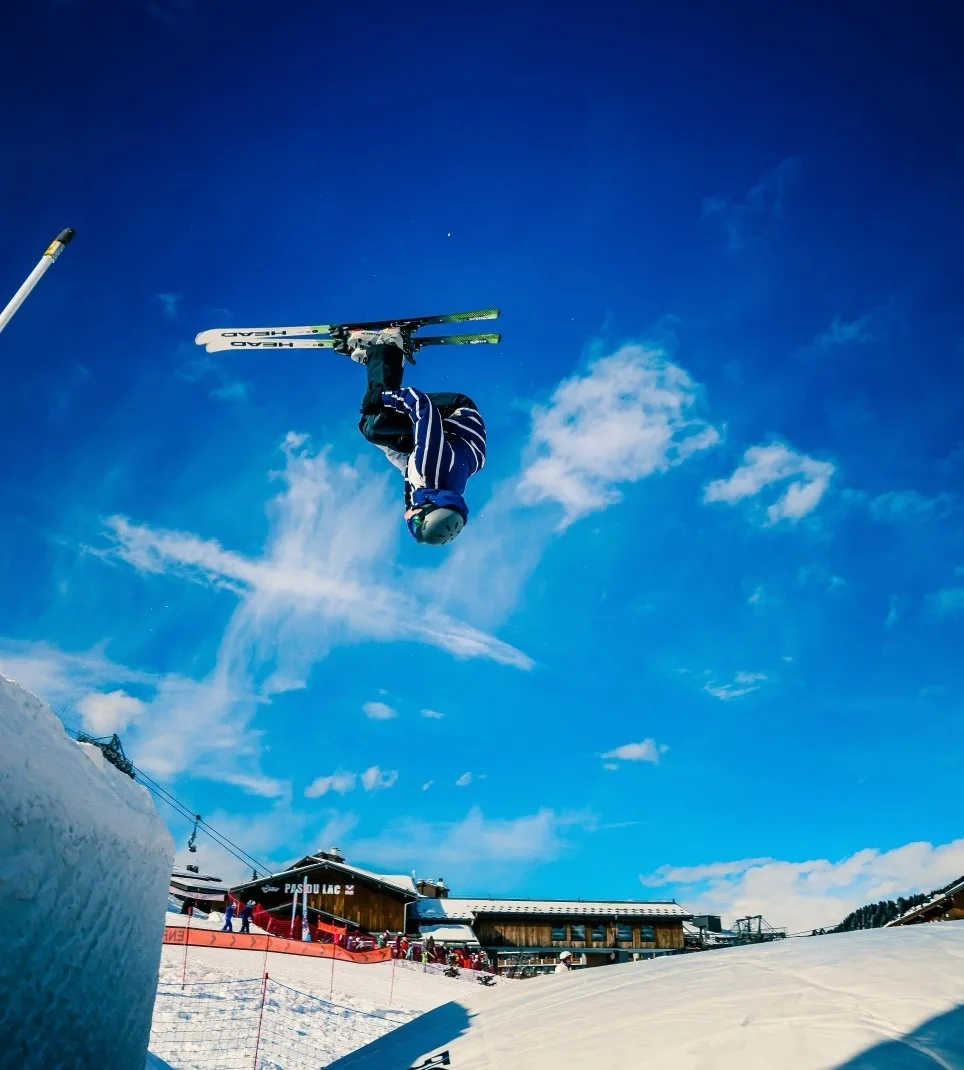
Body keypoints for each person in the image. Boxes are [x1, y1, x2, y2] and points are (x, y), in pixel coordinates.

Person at [332, 326, 487, 546]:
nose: (408, 522)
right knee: (378, 419)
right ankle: (388, 345)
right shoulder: (431, 467)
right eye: (415, 524)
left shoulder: (431, 491)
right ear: (429, 508)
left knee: (373, 429)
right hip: (456, 412)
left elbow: (406, 463)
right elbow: (421, 406)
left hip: (455, 440)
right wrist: (381, 397)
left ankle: (379, 359)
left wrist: (379, 439)